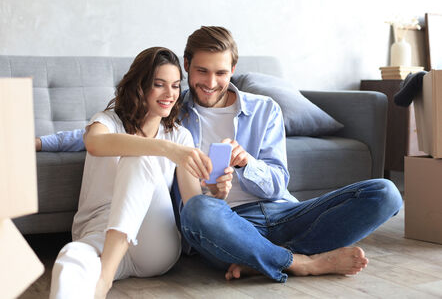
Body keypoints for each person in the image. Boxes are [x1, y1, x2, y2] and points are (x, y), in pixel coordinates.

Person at [40, 26, 403, 284]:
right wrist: (39, 142)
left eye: (221, 73)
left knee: (385, 193)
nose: (210, 83)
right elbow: (117, 128)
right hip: (217, 223)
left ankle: (258, 260)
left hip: (279, 211)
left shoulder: (265, 110)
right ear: (187, 65)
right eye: (200, 71)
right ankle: (300, 263)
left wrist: (247, 164)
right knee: (199, 208)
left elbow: (279, 182)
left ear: (234, 70)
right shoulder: (172, 111)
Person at [48, 47, 232, 299]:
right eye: (159, 84)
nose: (170, 94)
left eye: (176, 86)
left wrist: (216, 194)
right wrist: (166, 149)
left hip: (153, 245)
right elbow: (95, 144)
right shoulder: (107, 121)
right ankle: (107, 271)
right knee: (70, 259)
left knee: (139, 160)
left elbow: (192, 204)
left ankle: (104, 280)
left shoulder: (180, 135)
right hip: (99, 233)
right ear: (140, 85)